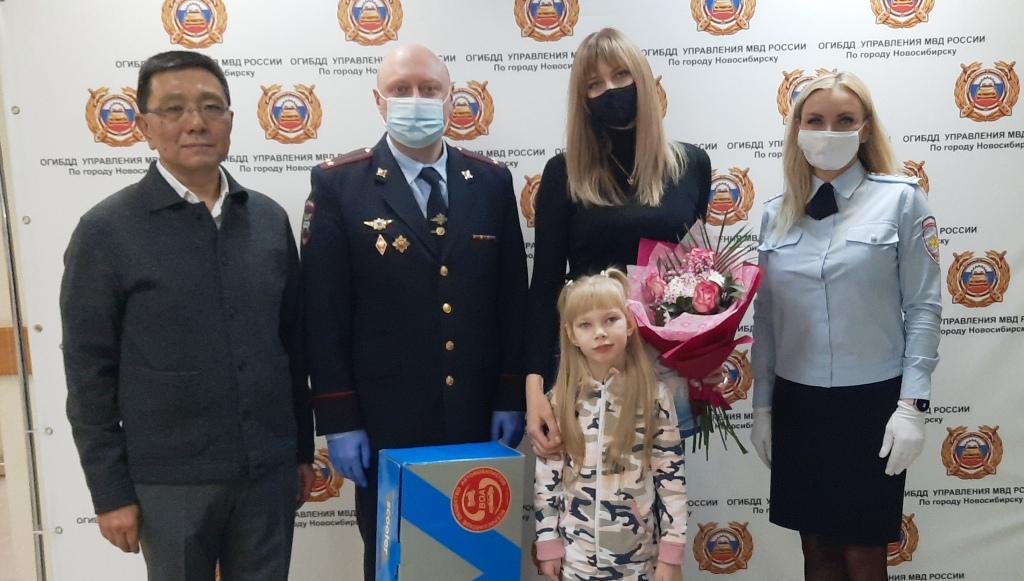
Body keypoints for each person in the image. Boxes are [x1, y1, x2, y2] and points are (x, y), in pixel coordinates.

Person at [60, 50, 314, 581]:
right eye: (173, 109)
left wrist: (299, 453)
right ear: (144, 126)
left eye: (211, 107)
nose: (195, 122)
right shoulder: (106, 231)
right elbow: (88, 374)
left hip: (267, 474)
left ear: (230, 120)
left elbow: (292, 349)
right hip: (169, 484)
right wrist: (109, 492)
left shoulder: (267, 220)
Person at [301, 43, 528, 579]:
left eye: (429, 89)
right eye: (400, 90)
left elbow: (511, 300)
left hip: (475, 413)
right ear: (378, 100)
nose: (416, 100)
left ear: (451, 99)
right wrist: (338, 420)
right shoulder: (340, 183)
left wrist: (509, 393)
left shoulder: (491, 182)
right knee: (393, 558)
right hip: (384, 420)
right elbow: (323, 313)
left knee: (476, 556)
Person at [749, 71, 941, 581]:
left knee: (863, 556)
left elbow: (923, 308)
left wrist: (912, 406)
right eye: (815, 120)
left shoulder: (901, 200)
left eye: (844, 120)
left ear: (865, 127)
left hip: (872, 404)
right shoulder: (775, 215)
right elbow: (766, 320)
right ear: (797, 129)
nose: (828, 131)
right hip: (799, 404)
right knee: (817, 553)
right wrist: (762, 407)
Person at [525, 28, 713, 457]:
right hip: (586, 368)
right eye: (594, 84)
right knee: (587, 494)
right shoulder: (564, 173)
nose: (610, 90)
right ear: (583, 99)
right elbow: (545, 286)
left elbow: (699, 275)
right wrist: (534, 388)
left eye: (621, 75)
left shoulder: (692, 165)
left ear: (642, 78)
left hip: (665, 369)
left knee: (665, 491)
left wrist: (705, 360)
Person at [534, 269, 686, 581]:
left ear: (629, 324)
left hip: (637, 561)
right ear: (571, 335)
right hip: (576, 561)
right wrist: (548, 542)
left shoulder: (654, 396)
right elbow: (548, 479)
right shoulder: (560, 400)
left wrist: (672, 553)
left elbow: (671, 479)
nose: (600, 333)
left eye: (610, 320)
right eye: (586, 325)